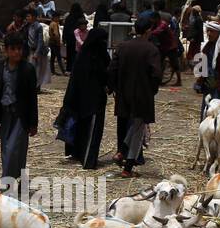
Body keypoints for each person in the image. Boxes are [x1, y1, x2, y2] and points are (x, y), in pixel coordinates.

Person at [108, 17, 161, 178]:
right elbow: (156, 74)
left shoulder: (122, 46)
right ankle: (128, 167)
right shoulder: (151, 49)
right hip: (142, 95)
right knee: (138, 129)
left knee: (135, 126)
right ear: (147, 31)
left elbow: (112, 69)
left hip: (124, 94)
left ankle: (122, 151)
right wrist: (151, 90)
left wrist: (114, 88)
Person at [56, 22, 109, 169]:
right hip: (95, 101)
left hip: (79, 100)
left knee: (82, 128)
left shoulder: (82, 56)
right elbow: (106, 76)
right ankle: (88, 160)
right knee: (92, 131)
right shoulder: (99, 58)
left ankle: (78, 154)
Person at [0, 32, 39, 193]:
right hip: (5, 114)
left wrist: (33, 123)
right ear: (6, 50)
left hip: (21, 115)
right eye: (13, 49)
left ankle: (6, 185)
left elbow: (32, 97)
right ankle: (19, 183)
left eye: (19, 49)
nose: (17, 52)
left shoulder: (28, 69)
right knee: (7, 150)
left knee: (13, 149)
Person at [63, 3, 86, 71]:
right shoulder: (81, 17)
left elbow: (65, 29)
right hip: (78, 39)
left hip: (70, 39)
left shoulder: (69, 18)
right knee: (77, 54)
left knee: (69, 54)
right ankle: (77, 68)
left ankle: (69, 68)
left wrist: (64, 38)